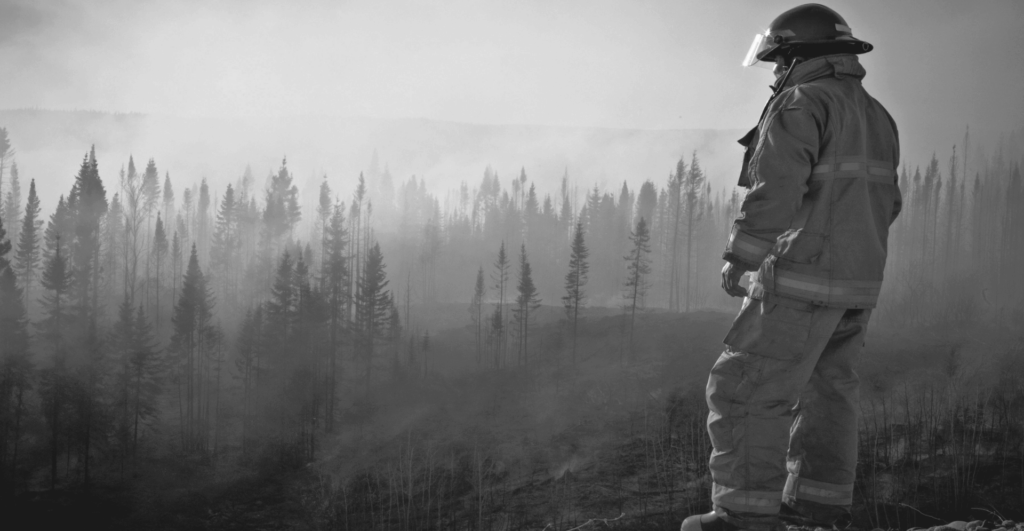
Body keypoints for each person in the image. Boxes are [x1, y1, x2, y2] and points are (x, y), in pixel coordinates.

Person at [681, 4, 901, 531]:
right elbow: (887, 204)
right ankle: (820, 507)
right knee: (829, 393)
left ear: (799, 55)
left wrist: (742, 257)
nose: (776, 73)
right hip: (857, 286)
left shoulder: (802, 102)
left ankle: (742, 515)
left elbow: (776, 189)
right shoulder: (875, 113)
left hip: (801, 279)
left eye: (779, 61)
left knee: (745, 387)